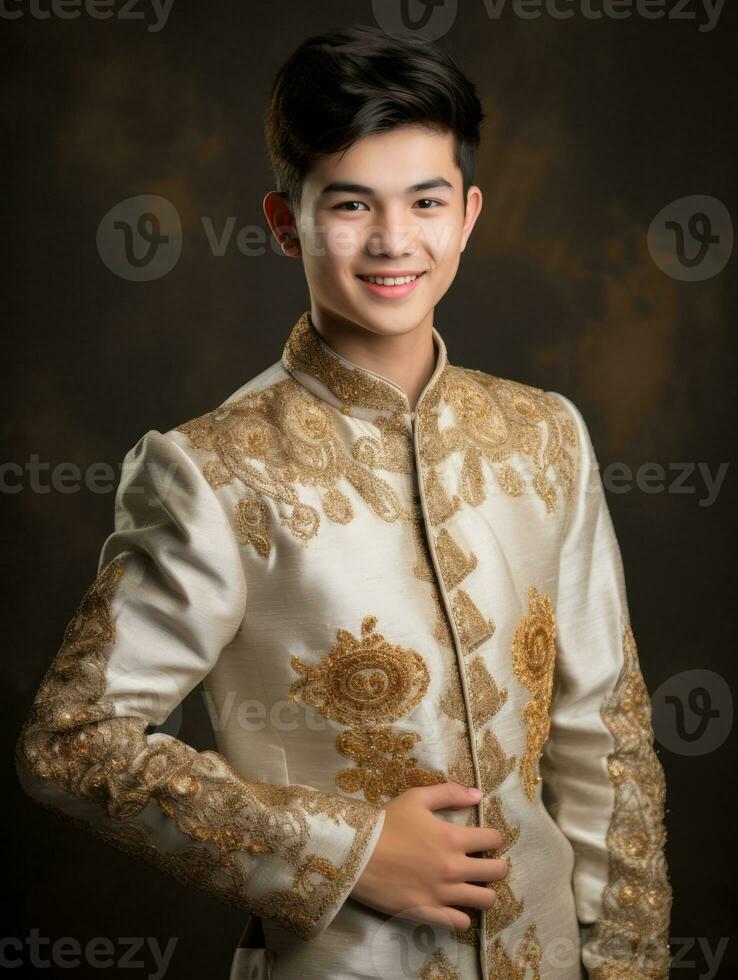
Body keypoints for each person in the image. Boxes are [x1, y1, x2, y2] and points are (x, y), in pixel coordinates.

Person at [15, 23, 673, 980]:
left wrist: (629, 969)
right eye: (352, 203)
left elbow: (605, 732)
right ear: (287, 222)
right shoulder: (213, 470)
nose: (394, 240)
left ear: (470, 214)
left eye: (426, 201)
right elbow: (71, 741)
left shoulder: (545, 437)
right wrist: (350, 851)